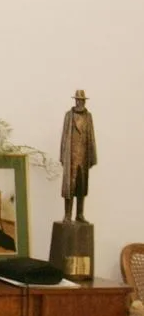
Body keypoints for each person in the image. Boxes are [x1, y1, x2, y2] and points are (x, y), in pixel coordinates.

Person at [60, 89, 97, 222]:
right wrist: (62, 156)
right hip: (71, 157)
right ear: (75, 100)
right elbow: (64, 136)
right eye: (77, 100)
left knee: (81, 187)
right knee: (69, 187)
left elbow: (91, 136)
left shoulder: (88, 116)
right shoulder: (69, 116)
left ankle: (79, 214)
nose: (79, 102)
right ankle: (67, 215)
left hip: (83, 156)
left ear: (84, 101)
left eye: (81, 100)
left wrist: (92, 156)